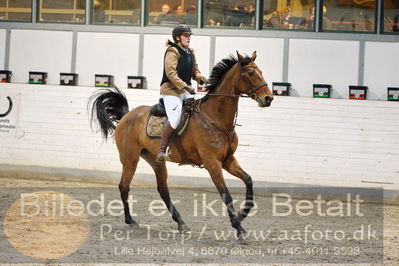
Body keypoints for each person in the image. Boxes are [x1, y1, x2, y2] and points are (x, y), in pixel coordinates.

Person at [156, 24, 208, 162]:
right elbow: (171, 73)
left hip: (186, 91)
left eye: (189, 35)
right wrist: (185, 86)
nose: (189, 38)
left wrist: (201, 78)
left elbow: (194, 71)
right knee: (175, 118)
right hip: (171, 91)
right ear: (178, 37)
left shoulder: (191, 52)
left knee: (200, 112)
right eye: (186, 35)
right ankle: (162, 150)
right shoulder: (172, 51)